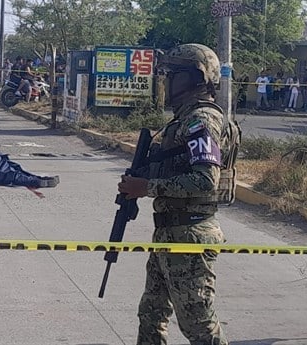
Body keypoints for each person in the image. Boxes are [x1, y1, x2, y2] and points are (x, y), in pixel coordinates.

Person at [118, 43, 231, 345]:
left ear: (195, 77)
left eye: (173, 74)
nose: (166, 81)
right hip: (171, 233)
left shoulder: (201, 120)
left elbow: (205, 179)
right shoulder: (182, 120)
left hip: (190, 235)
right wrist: (139, 181)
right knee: (151, 314)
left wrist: (148, 188)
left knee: (198, 324)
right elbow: (176, 168)